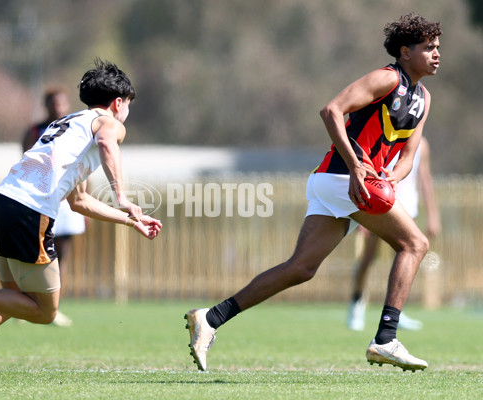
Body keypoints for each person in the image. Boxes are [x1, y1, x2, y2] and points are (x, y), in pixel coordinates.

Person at [185, 13, 441, 373]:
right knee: (415, 245)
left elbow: (408, 157)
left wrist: (389, 179)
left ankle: (210, 318)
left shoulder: (423, 99)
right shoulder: (387, 78)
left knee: (301, 268)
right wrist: (355, 166)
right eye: (428, 48)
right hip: (342, 178)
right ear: (405, 52)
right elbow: (331, 110)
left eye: (437, 48)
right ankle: (386, 338)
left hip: (335, 182)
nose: (436, 54)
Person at [0, 59, 162, 387]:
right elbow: (106, 144)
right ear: (118, 102)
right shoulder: (109, 122)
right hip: (30, 212)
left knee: (12, 298)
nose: (127, 112)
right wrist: (123, 197)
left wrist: (131, 220)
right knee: (44, 311)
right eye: (128, 104)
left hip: (2, 203)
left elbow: (80, 201)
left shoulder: (71, 123)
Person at [347, 137, 441, 331]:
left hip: (408, 207)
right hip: (380, 206)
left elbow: (425, 178)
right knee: (368, 258)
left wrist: (433, 215)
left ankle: (397, 311)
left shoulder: (422, 144)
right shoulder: (386, 138)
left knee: (406, 259)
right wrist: (365, 212)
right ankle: (357, 304)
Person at [21, 87, 87, 327]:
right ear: (46, 106)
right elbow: (27, 159)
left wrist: (85, 203)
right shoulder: (37, 131)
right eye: (54, 104)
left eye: (62, 103)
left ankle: (53, 306)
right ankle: (29, 303)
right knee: (38, 254)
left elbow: (82, 167)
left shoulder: (76, 130)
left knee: (61, 256)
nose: (59, 108)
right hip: (43, 199)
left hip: (68, 202)